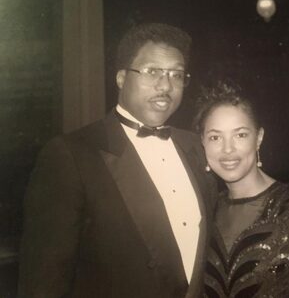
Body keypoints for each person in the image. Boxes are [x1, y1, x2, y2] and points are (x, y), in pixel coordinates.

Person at [18, 23, 217, 298]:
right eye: (152, 71)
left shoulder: (196, 146)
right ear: (121, 78)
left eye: (177, 74)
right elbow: (43, 281)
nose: (166, 85)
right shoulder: (70, 154)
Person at [194, 82, 289, 297]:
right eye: (215, 137)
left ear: (259, 138)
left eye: (240, 135)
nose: (227, 149)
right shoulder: (206, 211)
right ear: (203, 143)